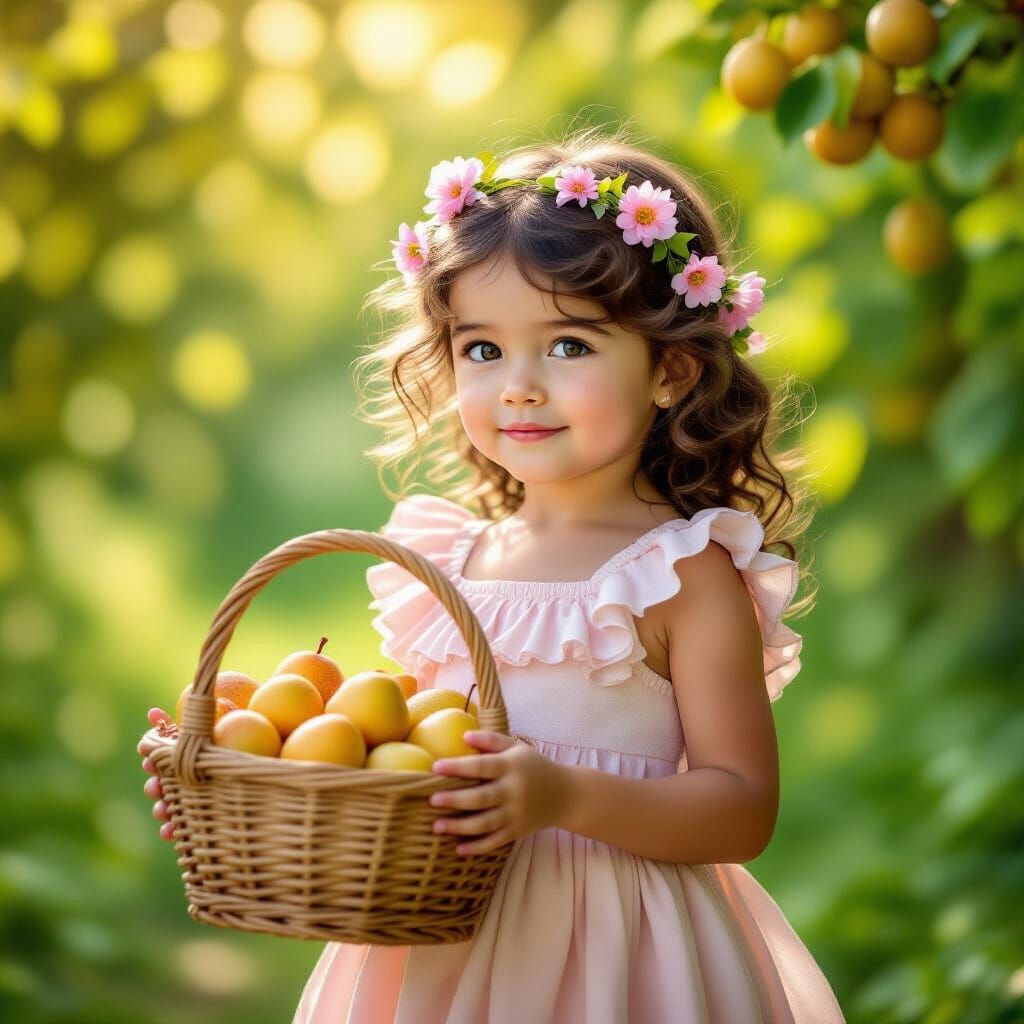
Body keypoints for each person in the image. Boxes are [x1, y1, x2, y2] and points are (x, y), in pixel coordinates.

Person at [140, 125, 845, 1022]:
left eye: (569, 347)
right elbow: (397, 747)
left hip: (617, 951)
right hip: (441, 940)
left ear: (669, 369)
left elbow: (742, 810)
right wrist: (241, 761)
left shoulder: (680, 573)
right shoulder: (449, 563)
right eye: (483, 350)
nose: (518, 385)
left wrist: (562, 795)